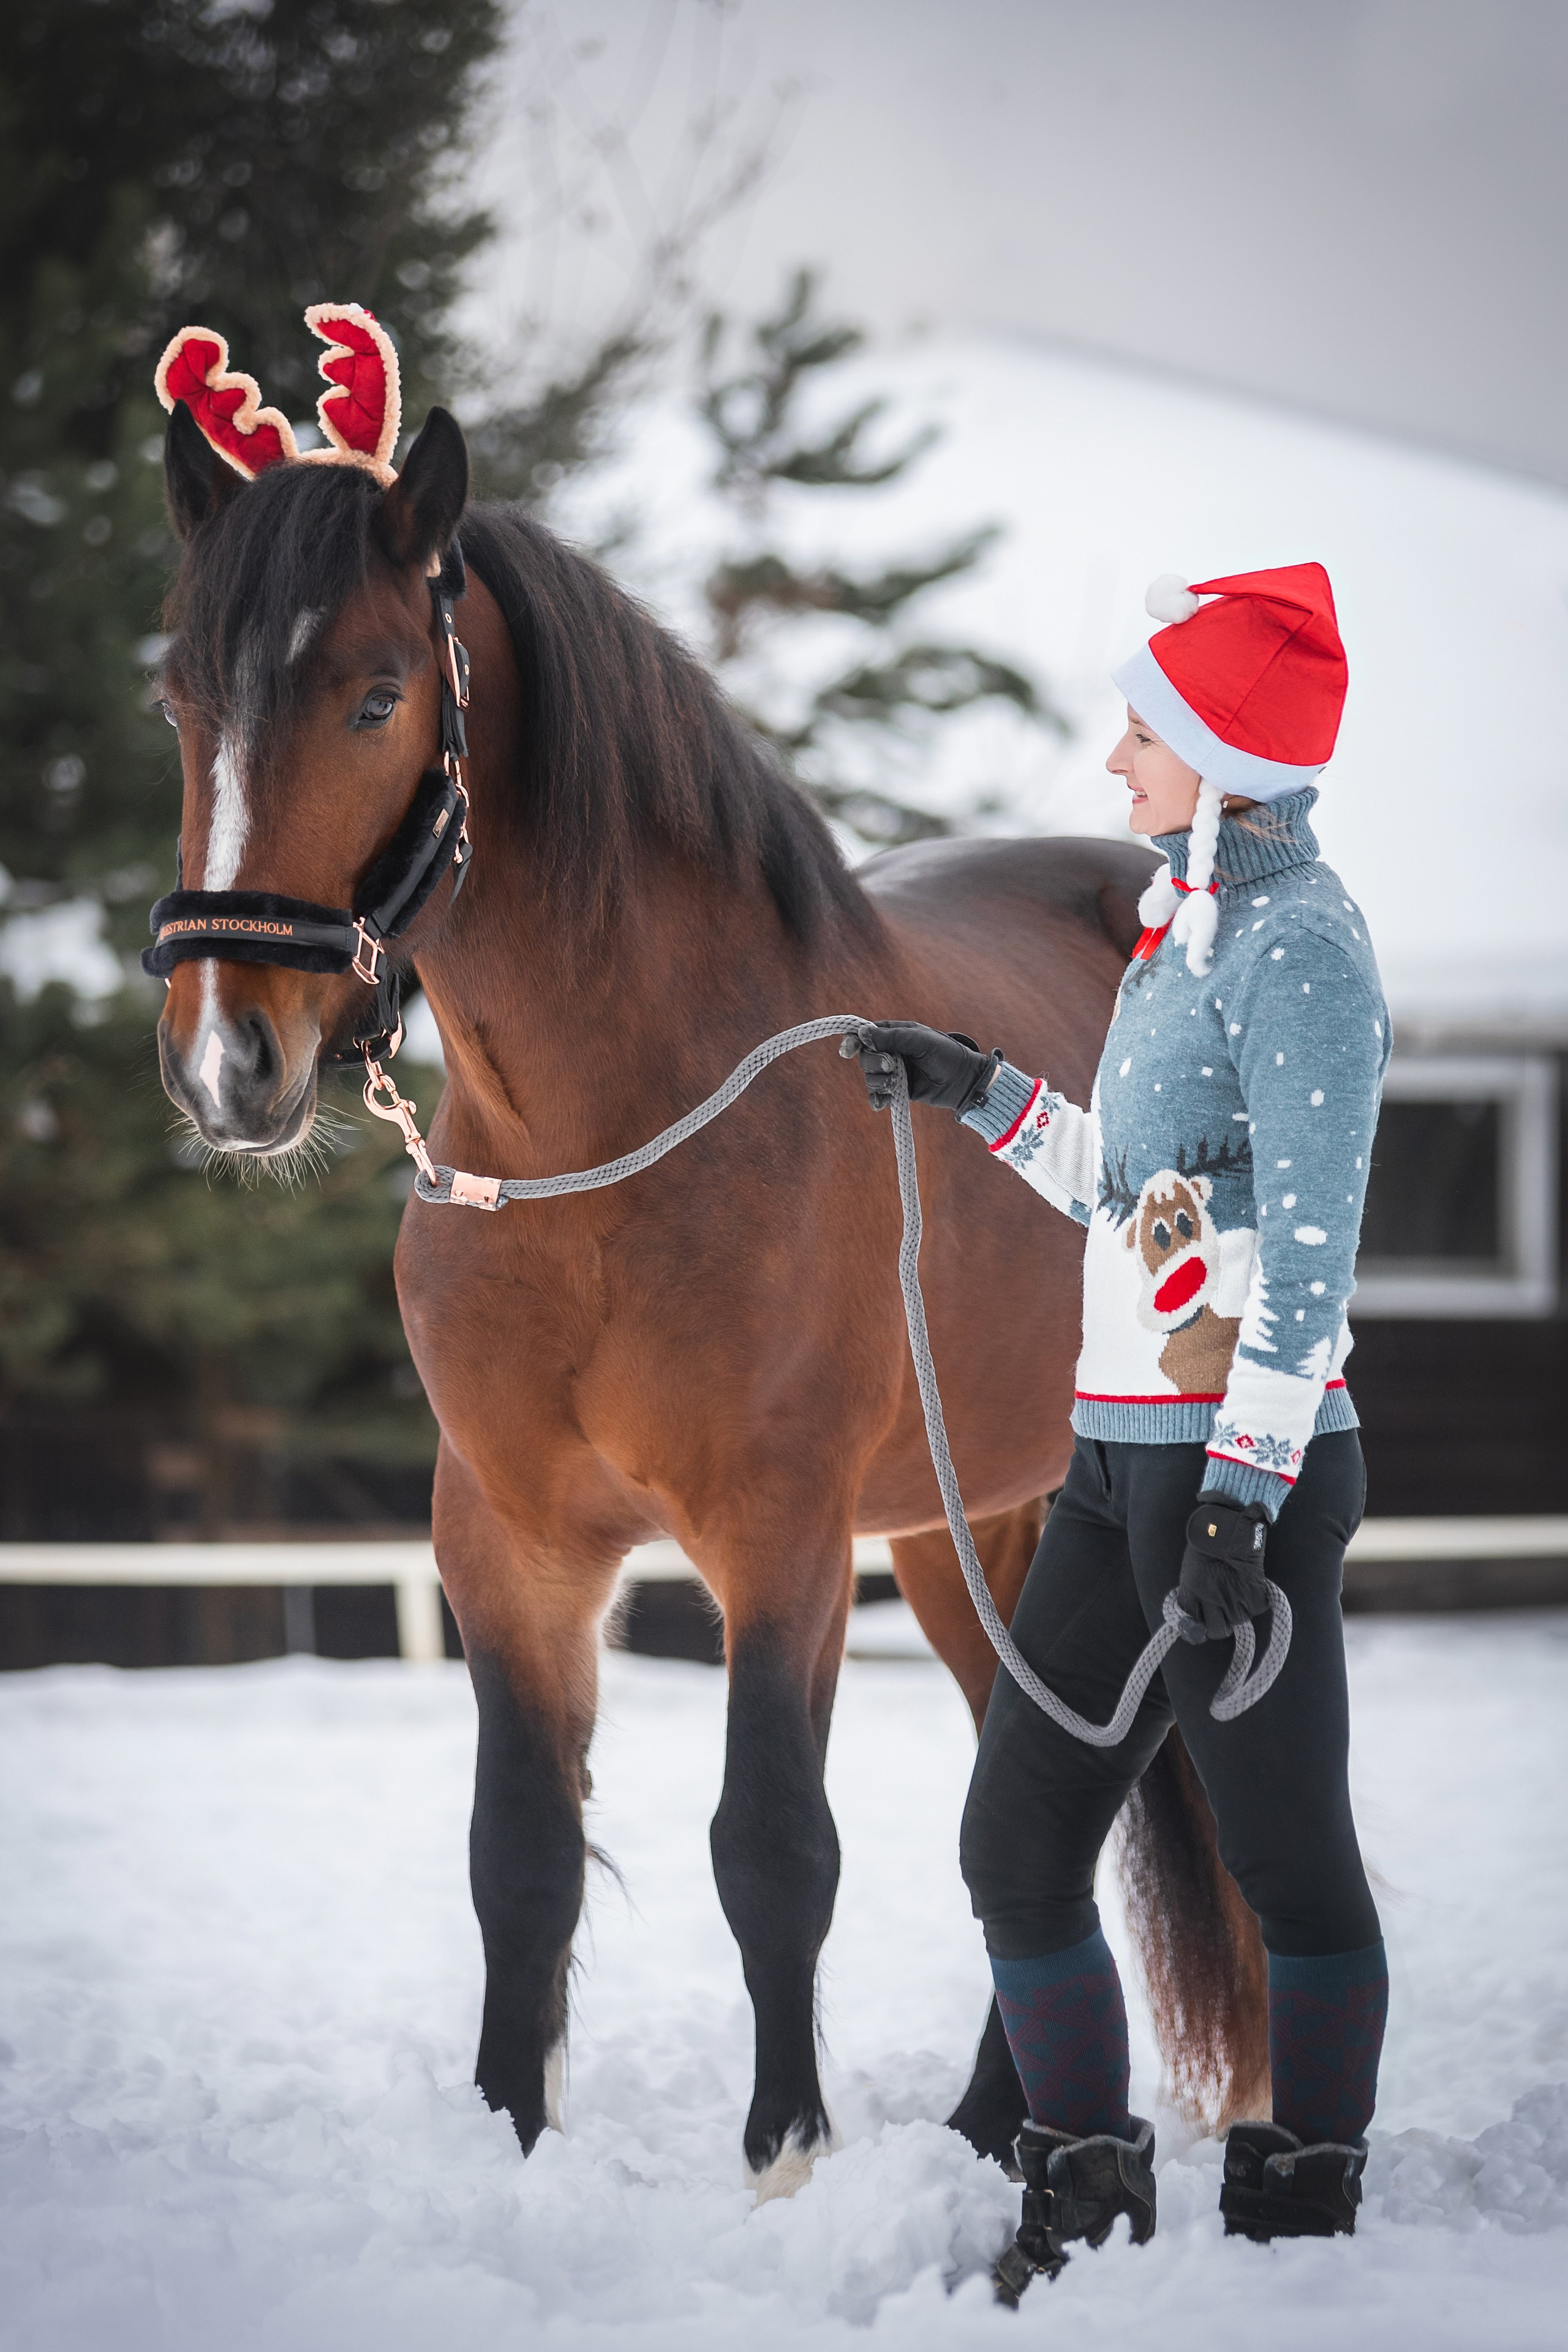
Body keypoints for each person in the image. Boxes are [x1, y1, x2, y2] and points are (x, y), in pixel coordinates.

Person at [845, 565, 1390, 2297]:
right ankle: (1082, 2178)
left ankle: (1303, 2195)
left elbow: (1306, 1247)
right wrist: (979, 1091)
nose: (1116, 762)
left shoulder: (1303, 948)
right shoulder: (1182, 926)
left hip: (1241, 1475)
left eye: (1144, 731)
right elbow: (1141, 1194)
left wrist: (1243, 1494)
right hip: (1110, 1459)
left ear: (1224, 753)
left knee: (1286, 1861)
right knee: (1017, 1845)